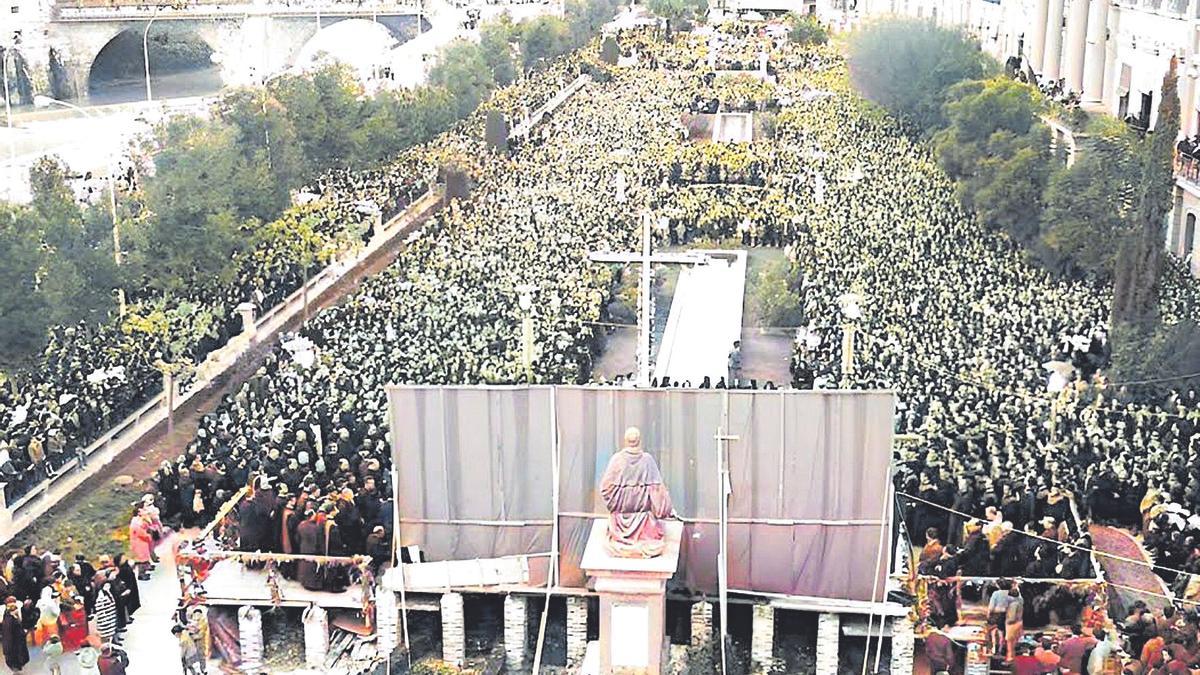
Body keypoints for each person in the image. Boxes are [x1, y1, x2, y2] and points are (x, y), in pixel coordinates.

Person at [599, 426, 676, 558]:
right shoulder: (647, 460)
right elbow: (657, 492)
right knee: (653, 544)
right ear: (639, 440)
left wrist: (619, 500)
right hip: (643, 523)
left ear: (625, 440)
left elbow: (605, 489)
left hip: (623, 524)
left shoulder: (617, 460)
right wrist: (665, 510)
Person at [1, 595, 29, 672]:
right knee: (16, 660)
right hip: (14, 645)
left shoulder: (10, 617)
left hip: (15, 644)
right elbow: (10, 634)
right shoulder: (10, 619)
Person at [1004, 585, 1024, 664]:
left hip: (1013, 624)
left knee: (1010, 642)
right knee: (1014, 642)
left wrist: (1007, 621)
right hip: (1019, 622)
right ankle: (1013, 657)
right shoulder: (1019, 602)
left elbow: (1012, 617)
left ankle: (1010, 658)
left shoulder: (1013, 604)